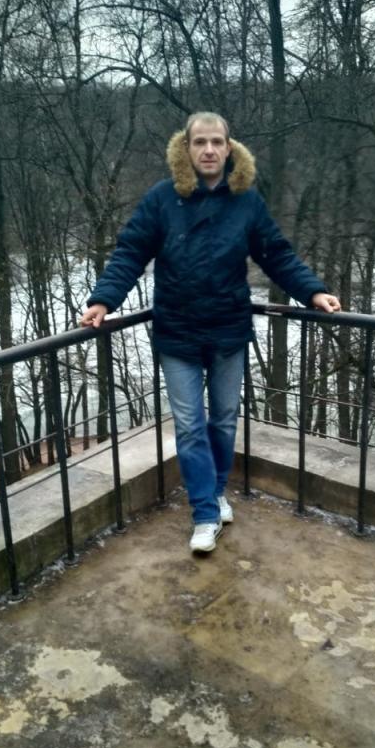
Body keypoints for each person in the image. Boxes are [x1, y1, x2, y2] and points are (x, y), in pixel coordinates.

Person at [81, 112, 341, 553]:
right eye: (199, 141)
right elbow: (130, 252)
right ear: (186, 148)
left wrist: (313, 292)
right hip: (177, 330)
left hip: (227, 327)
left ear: (228, 147)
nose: (208, 150)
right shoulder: (162, 199)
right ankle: (204, 513)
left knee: (223, 419)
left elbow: (276, 254)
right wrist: (103, 300)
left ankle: (217, 492)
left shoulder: (246, 201)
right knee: (189, 426)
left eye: (216, 141)